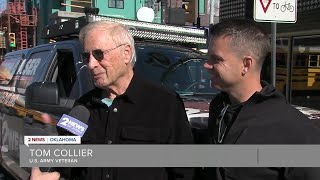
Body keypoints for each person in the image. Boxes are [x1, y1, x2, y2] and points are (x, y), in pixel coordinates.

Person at [31, 21, 194, 180]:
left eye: (99, 54)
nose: (91, 64)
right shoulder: (82, 107)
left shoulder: (165, 103)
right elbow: (64, 168)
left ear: (126, 53)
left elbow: (184, 171)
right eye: (86, 56)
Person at [203, 19, 320, 180]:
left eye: (216, 59)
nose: (206, 65)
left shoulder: (295, 130)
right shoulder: (219, 106)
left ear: (246, 64)